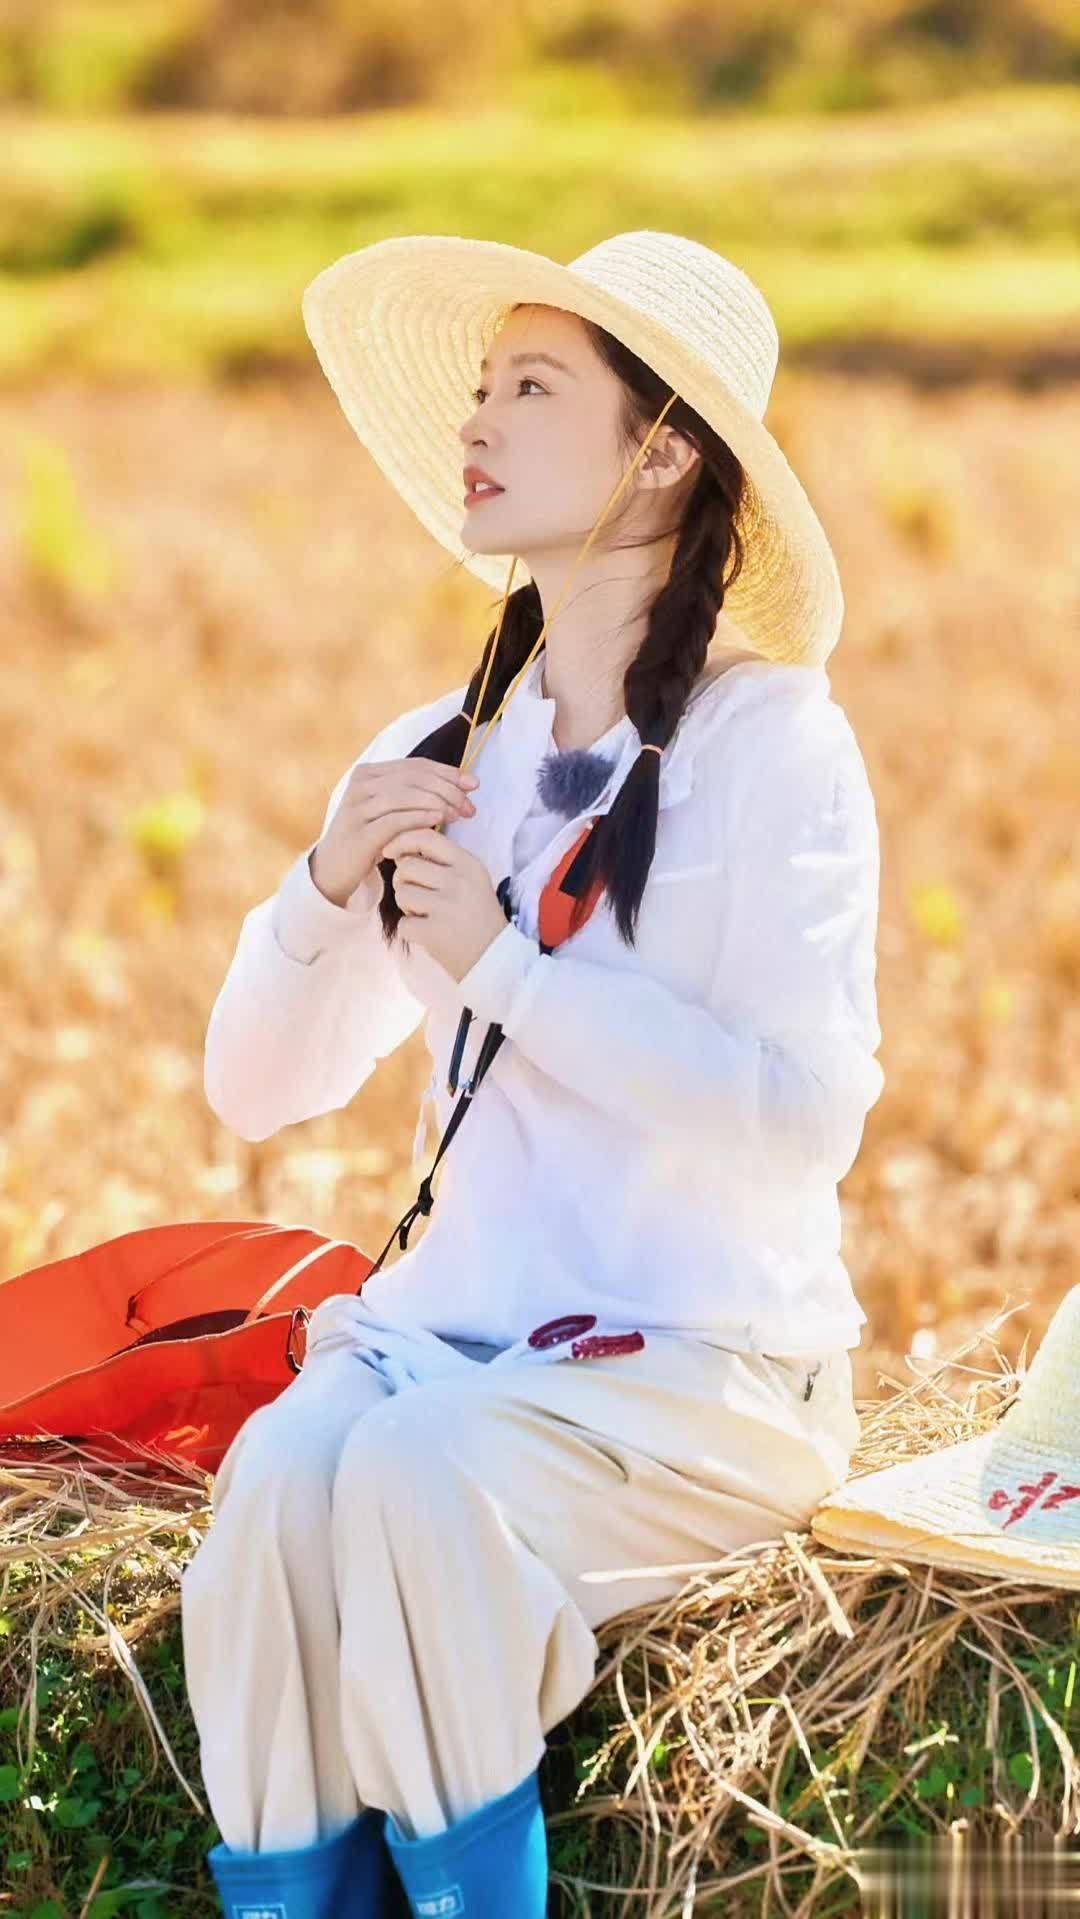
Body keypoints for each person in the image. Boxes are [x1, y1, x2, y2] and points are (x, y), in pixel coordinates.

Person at [180, 229, 884, 1919]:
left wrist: (506, 968)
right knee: (274, 1494)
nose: (476, 420)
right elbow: (253, 1095)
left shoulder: (772, 745)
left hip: (703, 1368)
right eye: (482, 384)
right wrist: (321, 885)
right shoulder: (436, 755)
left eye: (532, 387)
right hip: (453, 1340)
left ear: (667, 452)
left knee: (416, 1482)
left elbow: (802, 1118)